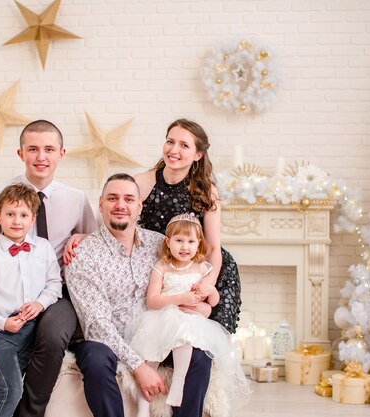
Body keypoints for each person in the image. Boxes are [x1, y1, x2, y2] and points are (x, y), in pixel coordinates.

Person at [0, 120, 98, 417]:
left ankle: (29, 412)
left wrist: (82, 237)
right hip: (4, 296)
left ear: (61, 154)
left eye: (49, 149)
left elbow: (95, 247)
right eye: (33, 149)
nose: (41, 156)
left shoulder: (76, 199)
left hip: (56, 293)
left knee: (53, 335)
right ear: (20, 154)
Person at [64, 118, 241, 333]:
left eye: (184, 145)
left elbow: (213, 247)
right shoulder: (141, 182)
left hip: (202, 267)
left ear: (198, 155)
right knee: (164, 332)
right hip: (161, 266)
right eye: (170, 141)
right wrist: (87, 237)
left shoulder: (207, 191)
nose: (174, 149)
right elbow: (117, 217)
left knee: (203, 335)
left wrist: (208, 281)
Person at [65, 173, 212, 417]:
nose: (121, 205)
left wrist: (204, 308)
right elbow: (97, 327)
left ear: (139, 206)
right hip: (107, 342)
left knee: (200, 355)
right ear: (101, 204)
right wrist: (139, 366)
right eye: (113, 198)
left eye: (129, 199)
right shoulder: (84, 254)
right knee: (96, 357)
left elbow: (189, 281)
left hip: (157, 335)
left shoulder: (161, 245)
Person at [128, 213, 250, 417]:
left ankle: (178, 383)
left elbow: (212, 302)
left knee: (186, 337)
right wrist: (181, 298)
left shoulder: (202, 268)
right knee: (149, 360)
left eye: (191, 241)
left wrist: (210, 291)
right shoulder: (162, 267)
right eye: (179, 240)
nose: (185, 247)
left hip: (188, 322)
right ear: (168, 242)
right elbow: (153, 300)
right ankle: (142, 409)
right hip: (162, 319)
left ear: (199, 243)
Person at [0, 183, 62, 417]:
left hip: (35, 331)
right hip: (1, 335)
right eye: (10, 214)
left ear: (33, 219)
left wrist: (40, 304)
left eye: (23, 215)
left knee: (9, 387)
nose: (16, 221)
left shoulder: (44, 248)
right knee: (10, 388)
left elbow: (54, 284)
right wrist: (1, 322)